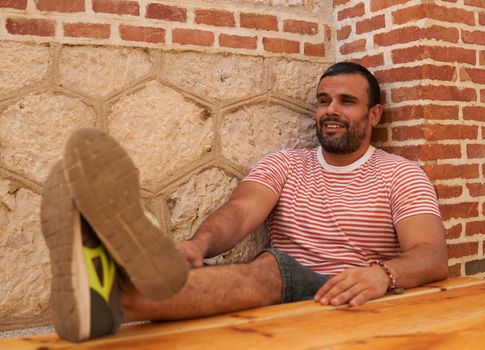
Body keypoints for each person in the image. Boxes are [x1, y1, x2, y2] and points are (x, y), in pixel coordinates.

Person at [40, 62, 448, 342]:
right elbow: (239, 213)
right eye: (323, 100)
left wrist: (382, 275)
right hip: (284, 280)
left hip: (353, 293)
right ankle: (114, 288)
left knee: (269, 270)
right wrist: (197, 245)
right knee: (268, 268)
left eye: (346, 101)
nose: (330, 111)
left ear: (374, 114)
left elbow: (431, 255)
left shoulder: (401, 174)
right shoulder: (286, 164)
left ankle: (111, 293)